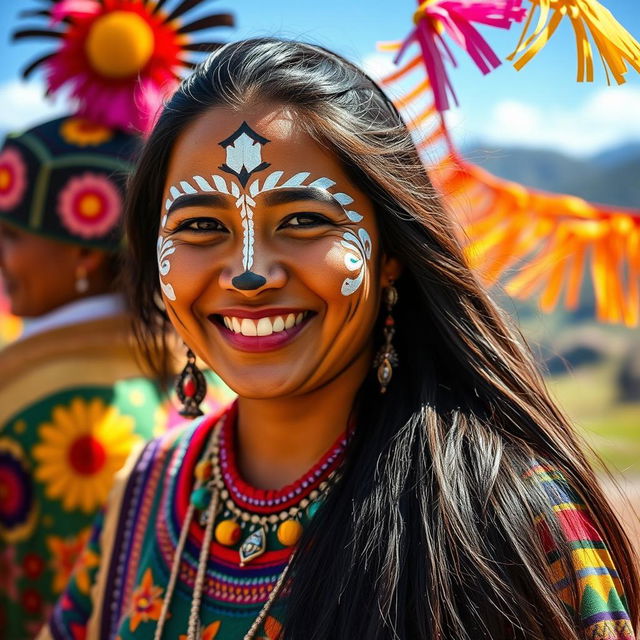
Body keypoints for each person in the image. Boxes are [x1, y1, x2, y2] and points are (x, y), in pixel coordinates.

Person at [40, 38, 638, 640]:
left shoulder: (514, 523)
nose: (249, 273)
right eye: (199, 225)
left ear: (390, 255)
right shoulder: (143, 494)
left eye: (304, 220)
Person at [0, 0, 235, 634]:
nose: (1, 255)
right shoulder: (209, 381)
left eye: (13, 236)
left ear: (82, 247)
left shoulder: (30, 407)